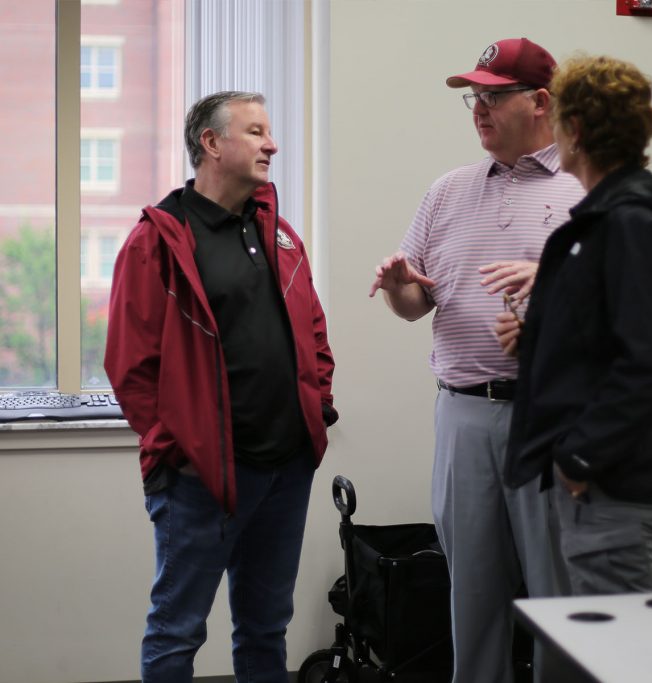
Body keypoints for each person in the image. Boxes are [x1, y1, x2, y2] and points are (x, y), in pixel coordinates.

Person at [104, 90, 339, 683]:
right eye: (256, 131)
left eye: (270, 131)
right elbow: (130, 366)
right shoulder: (158, 239)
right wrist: (175, 446)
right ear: (211, 143)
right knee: (176, 631)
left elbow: (313, 329)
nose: (272, 144)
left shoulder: (280, 234)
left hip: (286, 468)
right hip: (201, 477)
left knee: (266, 630)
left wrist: (320, 404)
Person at [368, 38, 583, 683]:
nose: (478, 110)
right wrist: (400, 284)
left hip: (553, 416)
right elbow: (415, 307)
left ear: (540, 101)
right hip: (464, 415)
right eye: (474, 97)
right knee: (473, 596)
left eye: (493, 96)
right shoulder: (448, 192)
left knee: (559, 601)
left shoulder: (586, 188)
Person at [497, 55, 652, 595]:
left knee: (619, 657)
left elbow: (649, 365)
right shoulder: (606, 218)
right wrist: (537, 341)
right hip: (601, 479)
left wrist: (577, 458)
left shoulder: (631, 224)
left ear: (575, 129)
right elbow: (604, 340)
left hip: (610, 480)